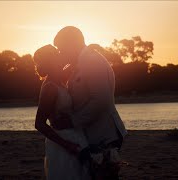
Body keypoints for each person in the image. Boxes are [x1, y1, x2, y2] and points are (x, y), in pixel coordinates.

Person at [52, 26, 128, 179]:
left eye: (61, 48)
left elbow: (101, 100)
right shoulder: (78, 64)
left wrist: (72, 121)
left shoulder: (92, 61)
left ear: (72, 44)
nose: (61, 53)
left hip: (104, 134)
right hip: (92, 134)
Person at [33, 44, 91, 180]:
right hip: (63, 144)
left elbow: (75, 62)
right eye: (57, 54)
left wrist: (88, 50)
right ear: (51, 61)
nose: (61, 56)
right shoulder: (50, 88)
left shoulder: (59, 80)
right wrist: (67, 145)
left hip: (76, 137)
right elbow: (39, 124)